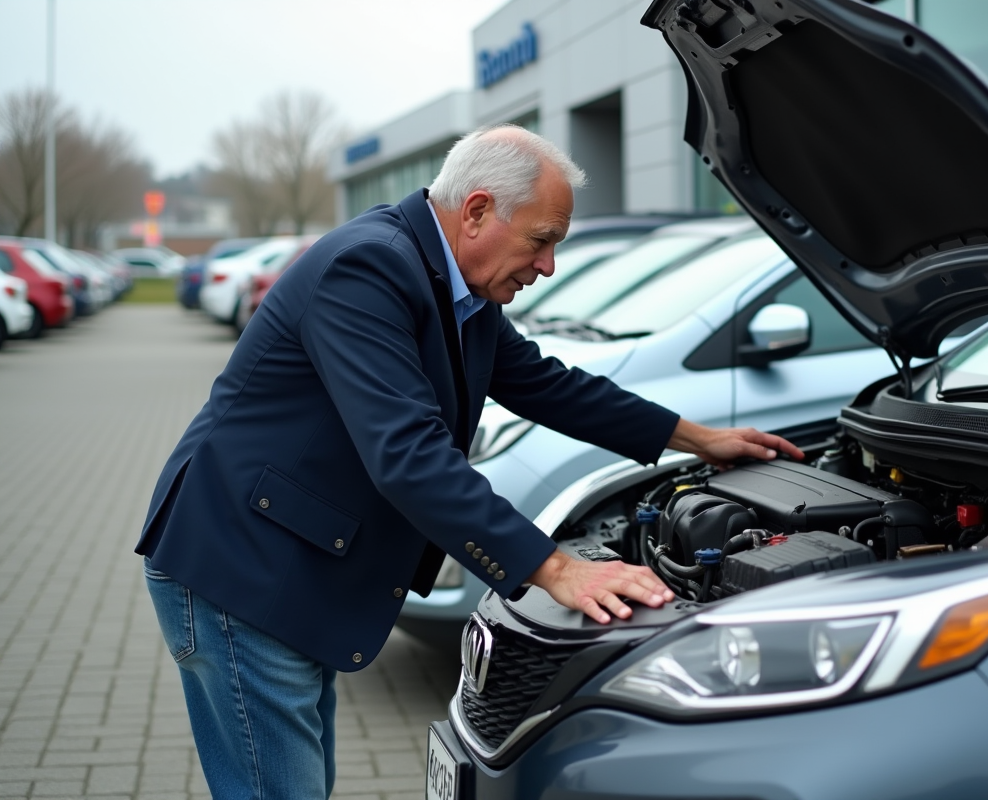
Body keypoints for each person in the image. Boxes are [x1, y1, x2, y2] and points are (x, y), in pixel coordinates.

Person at [136, 125, 803, 799]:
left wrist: (698, 438)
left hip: (284, 559)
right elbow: (407, 454)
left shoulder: (453, 281)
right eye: (541, 241)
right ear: (478, 211)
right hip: (238, 566)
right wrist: (556, 569)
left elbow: (548, 385)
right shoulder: (367, 268)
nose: (547, 267)